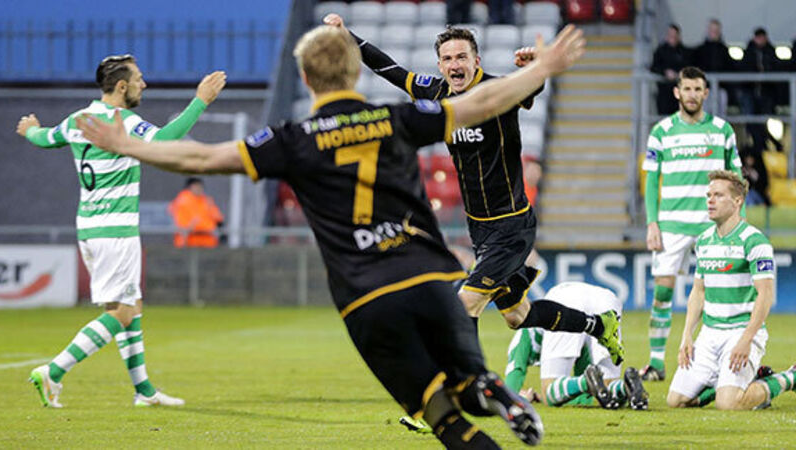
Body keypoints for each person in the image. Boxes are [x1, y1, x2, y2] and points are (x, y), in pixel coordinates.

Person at [75, 24, 595, 448]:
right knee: (473, 366)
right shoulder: (396, 117)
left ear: (305, 79)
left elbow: (201, 158)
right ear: (353, 72)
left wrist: (130, 146)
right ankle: (488, 387)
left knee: (437, 410)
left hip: (368, 295)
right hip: (429, 274)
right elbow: (482, 103)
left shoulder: (293, 140)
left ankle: (476, 395)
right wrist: (543, 70)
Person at [321, 16, 625, 365]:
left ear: (476, 61)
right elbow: (386, 67)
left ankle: (464, 386)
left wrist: (536, 70)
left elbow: (531, 90)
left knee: (465, 303)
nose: (455, 65)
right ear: (440, 66)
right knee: (518, 315)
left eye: (462, 57)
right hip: (479, 227)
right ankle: (599, 325)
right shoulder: (435, 92)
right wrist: (345, 35)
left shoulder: (498, 91)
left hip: (512, 225)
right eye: (448, 59)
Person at [16, 54, 226, 407]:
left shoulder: (79, 119)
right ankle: (54, 371)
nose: (145, 84)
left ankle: (144, 391)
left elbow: (45, 138)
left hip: (90, 227)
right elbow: (163, 140)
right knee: (122, 312)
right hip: (116, 231)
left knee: (131, 305)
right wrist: (200, 101)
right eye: (139, 79)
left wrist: (29, 130)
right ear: (122, 86)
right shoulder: (122, 121)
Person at [641, 66, 744, 382]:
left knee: (718, 294)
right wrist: (652, 223)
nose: (692, 94)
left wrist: (737, 219)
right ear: (677, 92)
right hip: (671, 224)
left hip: (711, 226)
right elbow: (652, 180)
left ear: (706, 93)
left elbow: (737, 178)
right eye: (686, 88)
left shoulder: (722, 130)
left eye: (697, 89)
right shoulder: (661, 132)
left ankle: (716, 362)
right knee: (662, 292)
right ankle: (656, 363)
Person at [667, 170, 796, 410]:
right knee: (675, 401)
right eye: (709, 195)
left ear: (737, 201)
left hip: (741, 331)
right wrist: (687, 335)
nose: (710, 200)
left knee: (729, 404)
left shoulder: (754, 241)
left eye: (718, 195)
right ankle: (730, 382)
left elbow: (765, 295)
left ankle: (789, 377)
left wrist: (746, 340)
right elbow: (698, 292)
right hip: (709, 334)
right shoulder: (704, 241)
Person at [505, 282, 648, 411]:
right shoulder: (577, 349)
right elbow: (586, 396)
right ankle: (626, 386)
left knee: (549, 391)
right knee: (605, 385)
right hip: (607, 301)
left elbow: (510, 386)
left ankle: (592, 383)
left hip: (564, 302)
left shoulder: (523, 337)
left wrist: (521, 399)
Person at [168, 177, 225, 247]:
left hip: (208, 241)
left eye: (200, 186)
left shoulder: (207, 201)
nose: (198, 188)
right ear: (189, 187)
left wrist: (221, 232)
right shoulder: (182, 201)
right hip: (190, 241)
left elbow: (218, 218)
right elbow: (182, 225)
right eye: (195, 186)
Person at [650, 24, 690, 115]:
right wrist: (665, 72)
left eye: (675, 35)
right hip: (664, 93)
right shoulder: (660, 51)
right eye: (671, 35)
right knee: (664, 119)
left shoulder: (684, 52)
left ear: (679, 36)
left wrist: (678, 74)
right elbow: (654, 67)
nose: (673, 38)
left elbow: (688, 68)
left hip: (680, 94)